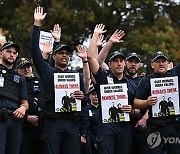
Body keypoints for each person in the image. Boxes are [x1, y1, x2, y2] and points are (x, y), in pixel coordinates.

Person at [30, 6, 86, 154]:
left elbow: (86, 100)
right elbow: (35, 52)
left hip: (72, 123)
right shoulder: (48, 71)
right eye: (60, 53)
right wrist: (37, 25)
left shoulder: (76, 75)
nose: (65, 56)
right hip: (52, 123)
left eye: (67, 54)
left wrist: (82, 97)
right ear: (54, 56)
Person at [87, 24, 136, 154]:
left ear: (125, 63)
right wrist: (97, 35)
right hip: (106, 128)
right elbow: (91, 58)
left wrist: (132, 110)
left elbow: (138, 109)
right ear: (110, 64)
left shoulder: (132, 84)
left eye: (121, 61)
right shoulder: (103, 79)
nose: (119, 63)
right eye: (115, 61)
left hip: (125, 128)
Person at [134, 51, 180, 153]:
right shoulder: (146, 80)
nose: (161, 63)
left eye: (163, 61)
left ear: (168, 63)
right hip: (155, 127)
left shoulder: (174, 75)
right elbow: (136, 103)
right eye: (158, 61)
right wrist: (147, 102)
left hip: (174, 127)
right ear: (152, 65)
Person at [0, 42, 29, 154]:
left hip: (15, 120)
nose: (12, 54)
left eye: (14, 53)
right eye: (8, 51)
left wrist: (23, 108)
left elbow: (25, 101)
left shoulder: (19, 78)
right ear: (1, 53)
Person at [16, 57, 45, 154]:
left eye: (28, 66)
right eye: (23, 67)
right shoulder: (15, 83)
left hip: (42, 127)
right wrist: (27, 117)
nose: (26, 69)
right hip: (24, 128)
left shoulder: (38, 78)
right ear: (17, 70)